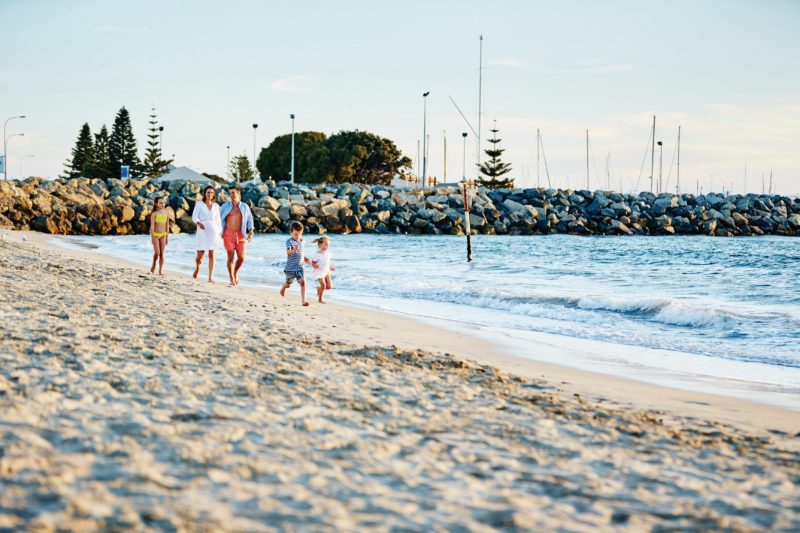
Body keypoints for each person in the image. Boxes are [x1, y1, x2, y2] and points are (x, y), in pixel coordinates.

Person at [219, 187, 254, 286]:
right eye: (230, 193)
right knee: (230, 256)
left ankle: (235, 272)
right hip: (228, 234)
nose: (231, 195)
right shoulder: (225, 206)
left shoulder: (245, 207)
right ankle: (231, 278)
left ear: (239, 194)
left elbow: (250, 220)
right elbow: (218, 219)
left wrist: (251, 231)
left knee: (241, 258)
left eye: (233, 193)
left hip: (241, 234)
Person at [191, 185, 222, 283]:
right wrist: (199, 223)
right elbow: (194, 216)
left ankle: (210, 277)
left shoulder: (216, 206)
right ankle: (197, 267)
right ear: (205, 193)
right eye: (208, 192)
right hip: (202, 231)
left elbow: (218, 221)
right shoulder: (199, 204)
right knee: (200, 255)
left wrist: (220, 233)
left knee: (212, 254)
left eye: (212, 192)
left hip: (213, 232)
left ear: (214, 195)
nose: (210, 194)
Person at [280, 221, 310, 306]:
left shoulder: (302, 241)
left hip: (300, 267)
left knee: (302, 282)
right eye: (296, 234)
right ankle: (283, 287)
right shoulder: (289, 241)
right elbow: (288, 253)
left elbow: (302, 253)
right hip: (291, 268)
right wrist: (294, 250)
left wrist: (307, 260)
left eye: (300, 234)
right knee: (288, 285)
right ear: (291, 232)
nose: (297, 236)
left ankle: (303, 301)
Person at [309, 236, 335, 303]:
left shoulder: (328, 253)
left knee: (329, 286)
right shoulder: (317, 254)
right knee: (323, 285)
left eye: (328, 244)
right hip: (319, 272)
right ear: (320, 244)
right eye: (326, 244)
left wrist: (330, 267)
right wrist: (315, 265)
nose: (327, 246)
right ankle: (320, 299)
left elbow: (328, 261)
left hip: (326, 271)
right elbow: (312, 263)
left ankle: (319, 288)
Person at [149, 196, 169, 275]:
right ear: (156, 204)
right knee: (157, 253)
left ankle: (160, 270)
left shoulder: (166, 213)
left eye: (163, 202)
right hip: (155, 235)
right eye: (160, 203)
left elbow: (167, 225)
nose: (162, 204)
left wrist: (167, 237)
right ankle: (154, 263)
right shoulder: (154, 214)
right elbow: (152, 226)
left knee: (162, 254)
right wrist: (152, 236)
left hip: (163, 235)